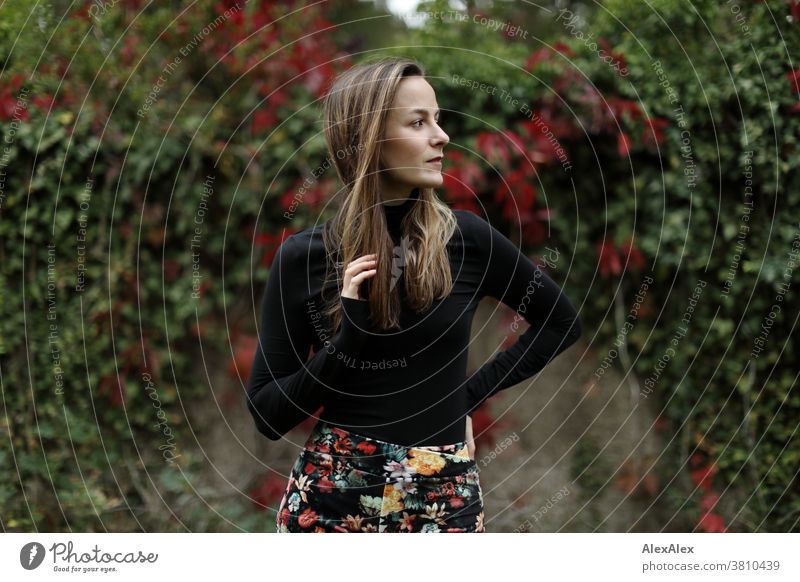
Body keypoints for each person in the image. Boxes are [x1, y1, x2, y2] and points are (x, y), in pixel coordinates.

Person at [245, 56, 582, 533]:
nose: (441, 136)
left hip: (444, 497)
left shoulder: (468, 241)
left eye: (437, 119)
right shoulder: (305, 258)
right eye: (418, 122)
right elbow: (267, 414)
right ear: (368, 140)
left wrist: (464, 398)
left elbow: (561, 322)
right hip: (333, 500)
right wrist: (349, 340)